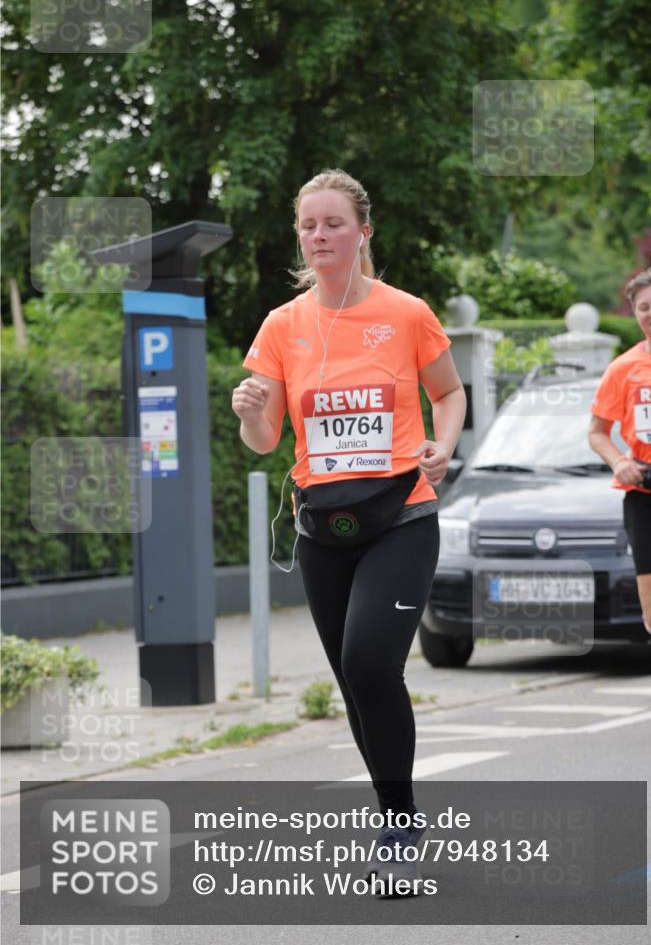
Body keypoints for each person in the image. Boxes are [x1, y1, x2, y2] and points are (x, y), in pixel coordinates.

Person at [232, 168, 466, 890]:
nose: (319, 236)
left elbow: (448, 392)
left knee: (370, 663)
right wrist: (247, 411)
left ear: (362, 233)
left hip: (400, 515)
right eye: (308, 226)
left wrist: (444, 443)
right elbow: (265, 441)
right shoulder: (282, 325)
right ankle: (393, 818)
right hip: (319, 527)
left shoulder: (405, 313)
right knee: (352, 683)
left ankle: (400, 830)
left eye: (333, 223)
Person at [588, 266, 651, 740]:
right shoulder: (624, 368)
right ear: (635, 314)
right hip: (643, 493)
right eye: (645, 307)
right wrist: (618, 460)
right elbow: (596, 432)